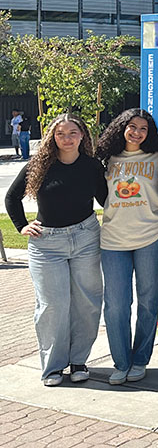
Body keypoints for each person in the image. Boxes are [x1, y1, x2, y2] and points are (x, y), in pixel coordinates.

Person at [4, 113, 107, 386]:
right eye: (61, 133)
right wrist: (21, 226)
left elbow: (107, 199)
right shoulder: (39, 164)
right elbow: (12, 197)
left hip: (85, 238)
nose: (67, 138)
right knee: (53, 306)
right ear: (53, 137)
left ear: (82, 135)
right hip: (46, 244)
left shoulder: (92, 166)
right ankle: (53, 367)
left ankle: (79, 361)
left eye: (73, 133)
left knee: (87, 302)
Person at [95, 108, 158, 385]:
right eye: (132, 126)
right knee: (116, 305)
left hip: (151, 235)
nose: (137, 132)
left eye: (143, 128)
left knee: (149, 303)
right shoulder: (106, 159)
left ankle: (140, 359)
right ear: (121, 127)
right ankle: (121, 362)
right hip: (113, 239)